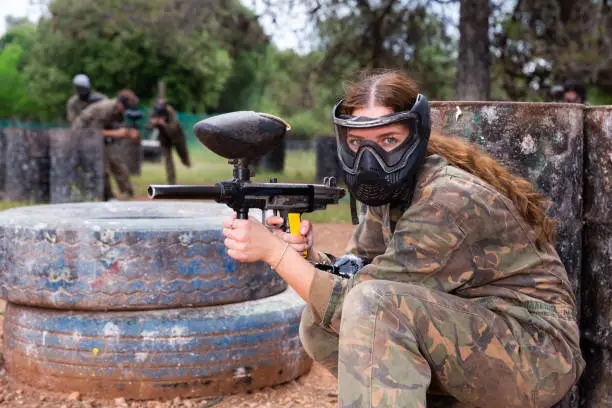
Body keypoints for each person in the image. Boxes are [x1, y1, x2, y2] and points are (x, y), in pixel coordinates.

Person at [220, 71, 584, 407]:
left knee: (373, 308)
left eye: (389, 140)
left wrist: (275, 254)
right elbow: (359, 273)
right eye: (358, 142)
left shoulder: (447, 199)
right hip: (479, 332)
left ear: (416, 134)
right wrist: (304, 253)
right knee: (318, 325)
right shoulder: (394, 191)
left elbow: (361, 301)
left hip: (537, 356)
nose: (370, 157)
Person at [72, 89, 140, 200]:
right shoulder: (104, 110)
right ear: (119, 103)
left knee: (116, 161)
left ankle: (128, 191)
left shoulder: (119, 110)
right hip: (84, 133)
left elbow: (115, 127)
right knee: (101, 166)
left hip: (102, 133)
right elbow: (94, 132)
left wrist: (129, 132)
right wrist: (118, 133)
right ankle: (107, 196)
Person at [149, 99, 191, 184]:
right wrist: (153, 123)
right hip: (165, 139)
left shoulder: (170, 112)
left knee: (183, 155)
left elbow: (173, 128)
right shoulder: (154, 113)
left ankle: (186, 161)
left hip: (177, 137)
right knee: (168, 161)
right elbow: (148, 127)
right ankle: (171, 182)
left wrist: (163, 124)